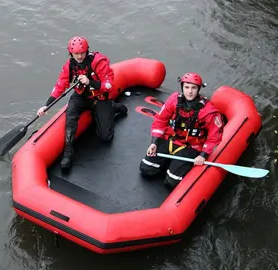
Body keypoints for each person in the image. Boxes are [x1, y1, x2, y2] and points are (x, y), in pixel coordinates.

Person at [37, 36, 127, 171]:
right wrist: (47, 105)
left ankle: (113, 107)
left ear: (87, 51)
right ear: (71, 53)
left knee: (105, 137)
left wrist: (89, 81)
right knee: (70, 117)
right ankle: (68, 153)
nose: (79, 56)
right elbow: (60, 85)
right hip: (81, 96)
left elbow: (109, 85)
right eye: (76, 54)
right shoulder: (70, 65)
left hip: (99, 97)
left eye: (82, 53)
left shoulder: (98, 62)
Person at [139, 72, 224, 189]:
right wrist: (154, 142)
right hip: (170, 140)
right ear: (182, 87)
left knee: (171, 181)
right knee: (146, 168)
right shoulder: (173, 100)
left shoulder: (208, 112)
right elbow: (160, 121)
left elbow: (214, 137)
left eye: (193, 88)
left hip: (191, 147)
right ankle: (169, 160)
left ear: (198, 89)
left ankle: (174, 164)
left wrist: (203, 155)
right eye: (187, 87)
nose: (189, 91)